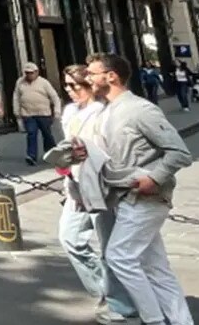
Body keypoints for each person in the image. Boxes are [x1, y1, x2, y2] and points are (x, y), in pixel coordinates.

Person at [70, 53, 195, 325]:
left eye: (92, 73)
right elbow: (108, 153)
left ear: (111, 76)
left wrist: (155, 178)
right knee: (155, 268)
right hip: (124, 197)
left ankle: (154, 320)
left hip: (145, 197)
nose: (88, 78)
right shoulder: (106, 111)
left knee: (120, 256)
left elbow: (179, 152)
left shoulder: (140, 109)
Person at [47, 66, 137, 324]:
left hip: (101, 185)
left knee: (109, 246)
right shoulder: (70, 111)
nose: (71, 91)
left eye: (76, 86)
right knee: (70, 237)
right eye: (66, 86)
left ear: (88, 85)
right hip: (76, 185)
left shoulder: (103, 111)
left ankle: (121, 305)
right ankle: (105, 291)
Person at [14, 62, 61, 166]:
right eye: (27, 73)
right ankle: (31, 156)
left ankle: (51, 154)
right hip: (28, 113)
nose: (29, 75)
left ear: (36, 72)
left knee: (47, 134)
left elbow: (54, 97)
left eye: (31, 73)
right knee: (31, 134)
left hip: (43, 113)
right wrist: (17, 112)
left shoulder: (44, 83)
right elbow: (16, 97)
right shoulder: (20, 82)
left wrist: (57, 111)